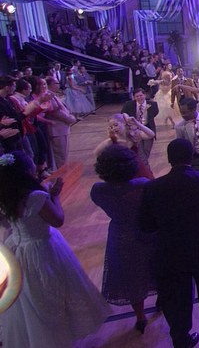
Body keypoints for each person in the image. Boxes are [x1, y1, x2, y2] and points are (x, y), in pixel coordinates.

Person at [0, 150, 111, 346]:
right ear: (25, 171)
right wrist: (55, 197)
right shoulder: (35, 196)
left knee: (26, 298)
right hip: (42, 248)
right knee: (51, 294)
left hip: (17, 248)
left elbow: (7, 223)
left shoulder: (4, 197)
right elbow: (58, 219)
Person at [140, 139, 199, 348]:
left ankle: (181, 339)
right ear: (191, 156)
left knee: (177, 300)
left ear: (169, 159)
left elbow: (145, 225)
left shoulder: (153, 188)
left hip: (171, 253)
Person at [90, 144, 156, 333]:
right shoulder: (142, 185)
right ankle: (161, 302)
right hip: (146, 231)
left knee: (131, 276)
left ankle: (140, 316)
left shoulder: (98, 190)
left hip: (120, 235)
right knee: (154, 268)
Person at [94, 114, 156, 180]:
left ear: (123, 123)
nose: (114, 128)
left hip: (138, 167)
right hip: (123, 170)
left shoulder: (133, 135)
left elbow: (151, 135)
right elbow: (96, 153)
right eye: (111, 127)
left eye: (116, 125)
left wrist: (137, 123)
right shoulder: (112, 140)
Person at [43, 77, 76, 170]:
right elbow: (56, 112)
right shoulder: (48, 96)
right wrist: (70, 118)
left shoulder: (53, 95)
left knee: (63, 154)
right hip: (57, 129)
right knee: (60, 155)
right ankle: (62, 174)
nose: (58, 85)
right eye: (56, 83)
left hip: (61, 128)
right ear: (50, 85)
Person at [121, 88, 159, 161]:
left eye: (141, 95)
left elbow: (155, 113)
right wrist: (127, 117)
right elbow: (123, 113)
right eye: (137, 96)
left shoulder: (153, 104)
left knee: (146, 152)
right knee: (140, 152)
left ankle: (142, 165)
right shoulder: (128, 104)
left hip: (148, 130)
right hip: (135, 131)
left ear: (145, 95)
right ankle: (144, 165)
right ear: (134, 97)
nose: (139, 98)